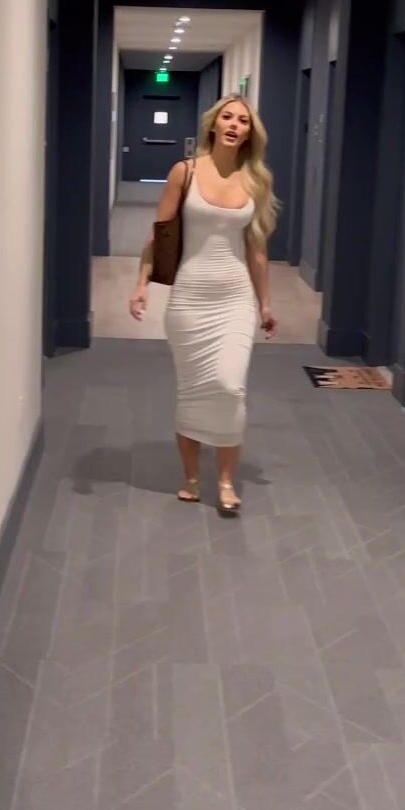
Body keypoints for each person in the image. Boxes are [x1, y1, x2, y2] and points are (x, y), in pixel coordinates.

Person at [129, 94, 278, 516]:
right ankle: (192, 476)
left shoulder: (256, 181)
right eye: (227, 117)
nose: (234, 125)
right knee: (194, 389)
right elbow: (160, 234)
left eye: (243, 121)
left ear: (250, 133)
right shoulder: (186, 172)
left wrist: (266, 304)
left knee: (230, 387)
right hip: (190, 297)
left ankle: (226, 480)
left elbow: (257, 251)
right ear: (213, 125)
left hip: (235, 297)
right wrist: (141, 284)